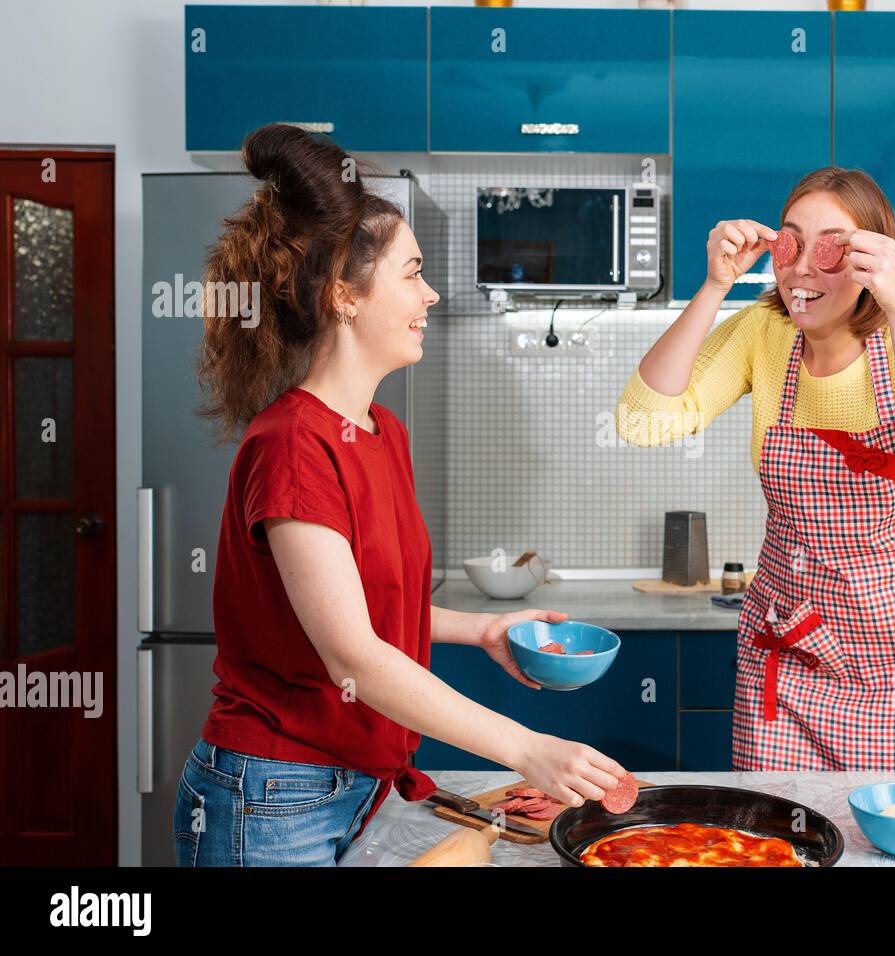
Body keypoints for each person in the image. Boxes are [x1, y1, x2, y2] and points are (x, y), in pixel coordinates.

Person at [175, 124, 625, 866]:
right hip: (274, 797)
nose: (431, 293)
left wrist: (480, 631)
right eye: (412, 273)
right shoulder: (292, 444)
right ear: (345, 295)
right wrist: (527, 748)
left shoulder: (382, 430)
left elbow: (372, 605)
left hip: (356, 783)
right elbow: (353, 655)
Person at [616, 167, 895, 815]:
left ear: (870, 259)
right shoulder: (763, 333)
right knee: (782, 840)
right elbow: (643, 420)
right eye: (790, 244)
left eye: (834, 248)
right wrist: (716, 286)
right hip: (795, 663)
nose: (802, 271)